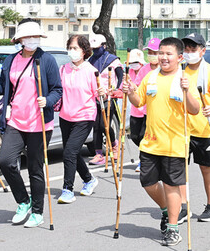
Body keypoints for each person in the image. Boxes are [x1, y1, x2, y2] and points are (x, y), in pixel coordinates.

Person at [0, 19, 62, 227]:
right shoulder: (10, 60)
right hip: (15, 121)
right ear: (19, 40)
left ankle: (38, 211)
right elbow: (1, 88)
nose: (32, 40)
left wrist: (49, 101)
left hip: (39, 123)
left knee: (35, 168)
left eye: (35, 37)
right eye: (27, 37)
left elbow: (57, 89)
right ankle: (23, 201)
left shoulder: (47, 60)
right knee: (5, 161)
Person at [122, 37, 199, 246]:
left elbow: (195, 109)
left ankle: (173, 228)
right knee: (147, 182)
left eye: (168, 54)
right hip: (151, 142)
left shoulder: (184, 79)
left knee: (172, 185)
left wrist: (186, 92)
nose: (163, 57)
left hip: (175, 143)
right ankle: (167, 210)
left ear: (180, 57)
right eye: (160, 53)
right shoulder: (151, 77)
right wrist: (130, 93)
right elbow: (139, 102)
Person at [180, 33, 210, 222]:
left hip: (205, 129)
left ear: (203, 51)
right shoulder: (179, 72)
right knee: (179, 169)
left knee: (206, 168)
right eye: (187, 50)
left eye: (194, 49)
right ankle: (182, 206)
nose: (190, 53)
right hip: (182, 130)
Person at [57, 35, 103, 204]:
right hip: (65, 116)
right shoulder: (63, 69)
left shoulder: (91, 71)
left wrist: (104, 92)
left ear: (84, 51)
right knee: (72, 152)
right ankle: (89, 179)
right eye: (70, 47)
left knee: (69, 152)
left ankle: (67, 189)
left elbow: (98, 92)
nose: (72, 51)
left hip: (84, 116)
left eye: (75, 48)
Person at [88, 34, 124, 165]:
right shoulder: (90, 61)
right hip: (95, 97)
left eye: (97, 48)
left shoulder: (113, 60)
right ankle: (98, 154)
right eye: (93, 48)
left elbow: (121, 77)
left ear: (104, 46)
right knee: (96, 126)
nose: (95, 50)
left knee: (105, 124)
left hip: (109, 97)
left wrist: (116, 90)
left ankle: (114, 145)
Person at [127, 47, 149, 172]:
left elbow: (141, 88)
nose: (133, 65)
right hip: (135, 109)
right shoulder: (129, 71)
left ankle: (143, 160)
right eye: (131, 62)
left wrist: (134, 87)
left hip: (145, 108)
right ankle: (144, 156)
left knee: (143, 136)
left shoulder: (146, 71)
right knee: (135, 136)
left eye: (135, 62)